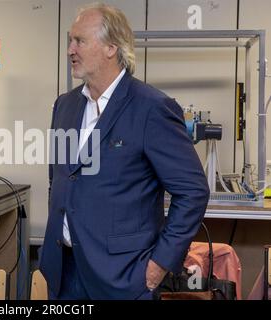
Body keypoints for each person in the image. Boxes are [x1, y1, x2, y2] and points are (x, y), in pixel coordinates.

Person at [40, 3, 210, 300]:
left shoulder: (151, 108)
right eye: (70, 40)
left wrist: (158, 265)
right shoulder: (64, 106)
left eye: (80, 40)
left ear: (111, 47)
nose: (70, 49)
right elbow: (61, 179)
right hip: (64, 273)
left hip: (124, 277)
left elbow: (193, 191)